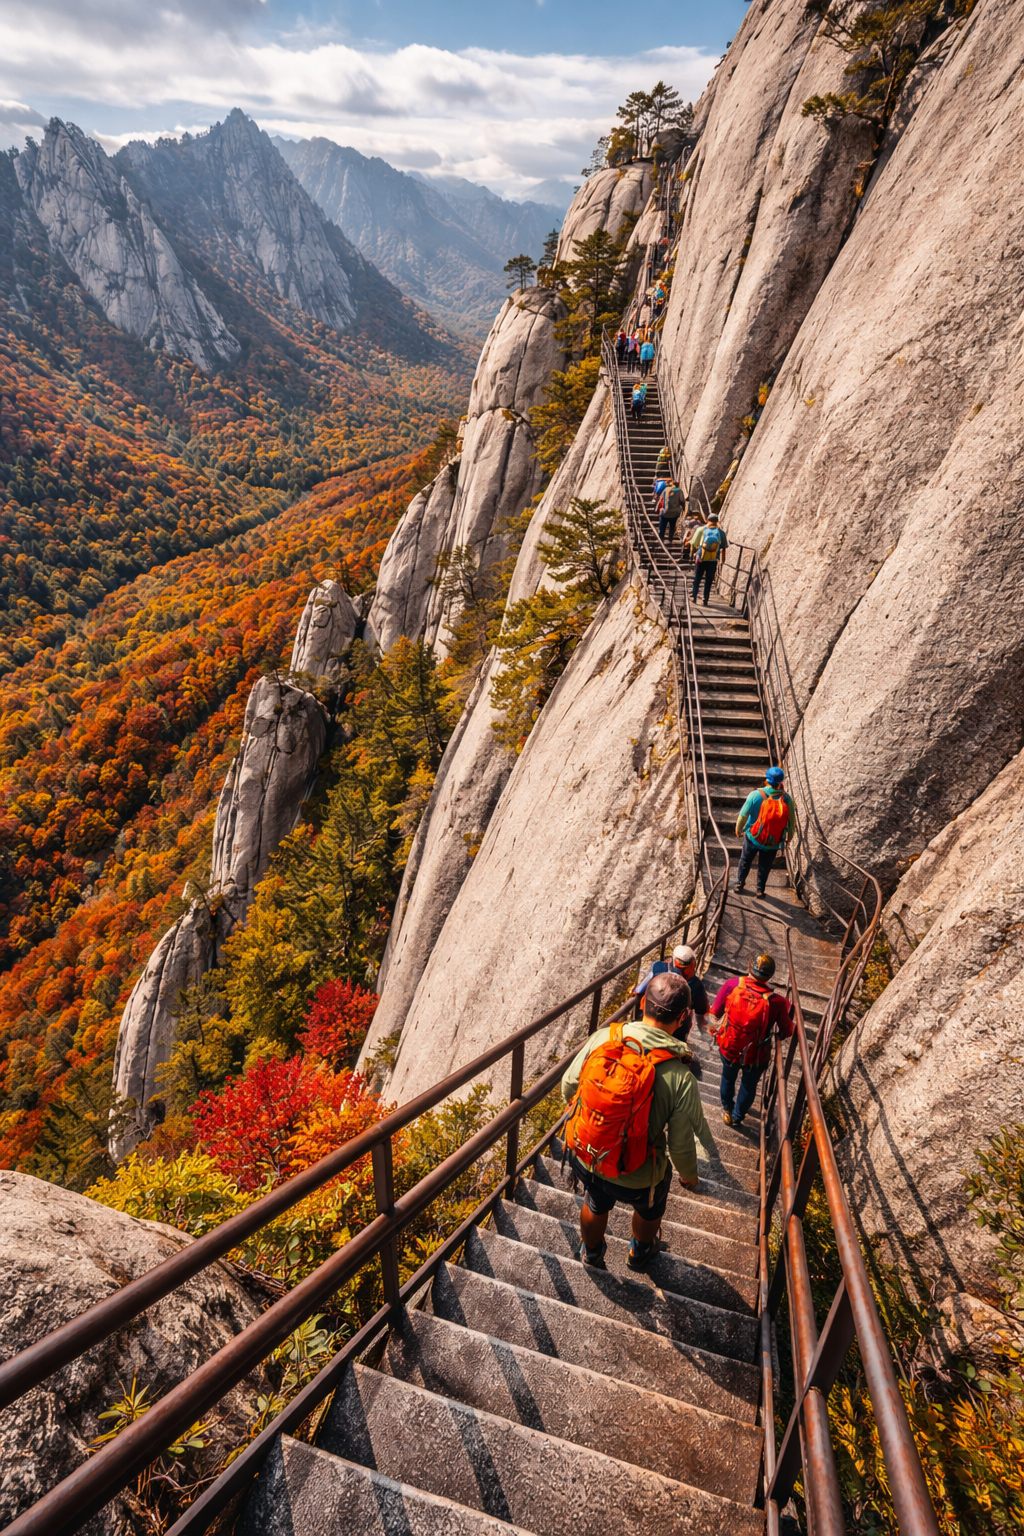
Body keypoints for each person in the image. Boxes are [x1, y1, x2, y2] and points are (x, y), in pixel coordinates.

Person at [561, 972, 716, 1271]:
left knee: (595, 1201)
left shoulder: (604, 1038)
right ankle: (640, 1252)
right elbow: (681, 1145)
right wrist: (689, 1176)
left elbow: (569, 1087)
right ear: (684, 1017)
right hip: (639, 1174)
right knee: (649, 1208)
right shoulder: (681, 1077)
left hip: (590, 1156)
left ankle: (591, 1253)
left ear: (644, 1001)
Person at [708, 952, 793, 1128]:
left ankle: (727, 1109)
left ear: (749, 968)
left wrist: (712, 1029)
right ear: (770, 976)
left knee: (728, 1078)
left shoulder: (731, 985)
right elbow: (787, 1030)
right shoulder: (777, 1002)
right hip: (756, 1054)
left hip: (730, 1045)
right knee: (748, 1085)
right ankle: (738, 1117)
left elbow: (714, 1012)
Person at [734, 765, 798, 896]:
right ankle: (760, 890)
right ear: (781, 782)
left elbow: (743, 815)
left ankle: (740, 882)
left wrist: (738, 829)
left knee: (745, 860)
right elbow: (791, 822)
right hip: (773, 841)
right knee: (765, 866)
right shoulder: (787, 799)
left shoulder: (756, 795)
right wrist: (789, 837)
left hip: (753, 837)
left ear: (766, 780)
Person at [633, 944, 710, 1041]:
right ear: (693, 964)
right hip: (676, 1031)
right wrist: (703, 1029)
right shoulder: (696, 985)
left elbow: (639, 990)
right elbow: (701, 1011)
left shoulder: (657, 968)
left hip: (650, 1023)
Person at [690, 510, 727, 605]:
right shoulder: (720, 532)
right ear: (717, 521)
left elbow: (694, 543)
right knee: (708, 580)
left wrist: (695, 554)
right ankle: (705, 599)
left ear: (707, 520)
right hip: (713, 560)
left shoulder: (701, 530)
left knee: (697, 577)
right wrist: (722, 561)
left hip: (701, 558)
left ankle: (694, 596)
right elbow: (723, 548)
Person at [658, 478, 684, 543]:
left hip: (666, 512)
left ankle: (661, 538)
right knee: (672, 525)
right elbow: (682, 500)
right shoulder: (679, 490)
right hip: (675, 513)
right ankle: (670, 540)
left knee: (663, 524)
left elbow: (660, 499)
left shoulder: (665, 489)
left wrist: (658, 509)